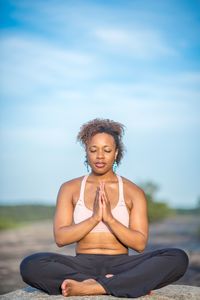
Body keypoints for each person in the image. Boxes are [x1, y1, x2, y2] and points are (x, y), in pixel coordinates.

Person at [20, 118, 189, 298]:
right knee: (31, 263)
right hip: (82, 264)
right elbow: (61, 238)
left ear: (116, 153)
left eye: (107, 150)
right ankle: (122, 283)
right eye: (93, 150)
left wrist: (109, 218)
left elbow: (139, 244)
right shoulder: (70, 188)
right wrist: (94, 218)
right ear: (86, 152)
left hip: (122, 263)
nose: (100, 156)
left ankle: (94, 287)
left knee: (177, 257)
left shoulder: (133, 192)